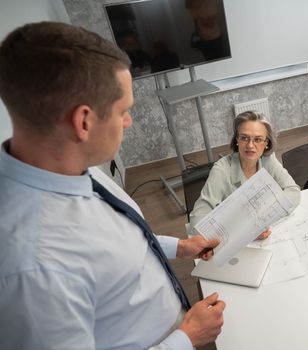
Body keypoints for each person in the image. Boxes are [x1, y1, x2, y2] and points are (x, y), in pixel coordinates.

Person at [0, 22, 225, 349]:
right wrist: (186, 339)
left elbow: (115, 245)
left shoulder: (67, 165)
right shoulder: (34, 270)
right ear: (84, 122)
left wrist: (179, 247)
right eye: (124, 111)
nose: (129, 122)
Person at [189, 111, 300, 239]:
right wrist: (247, 229)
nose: (250, 145)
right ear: (237, 140)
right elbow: (196, 222)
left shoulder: (269, 159)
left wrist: (263, 221)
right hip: (232, 239)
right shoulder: (221, 169)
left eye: (258, 139)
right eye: (244, 138)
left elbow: (293, 191)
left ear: (266, 143)